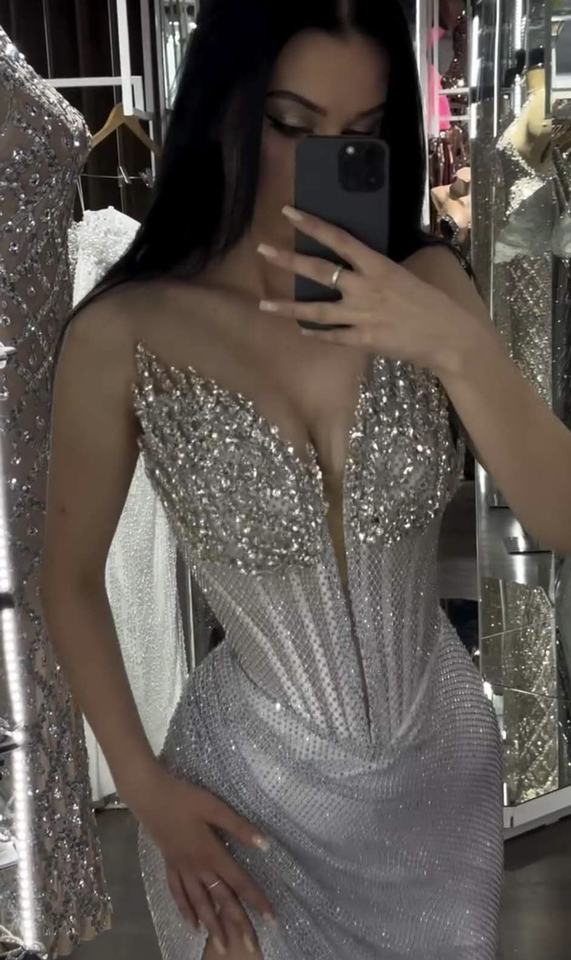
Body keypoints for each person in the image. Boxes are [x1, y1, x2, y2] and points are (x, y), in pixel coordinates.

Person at [40, 1, 571, 958]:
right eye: (290, 124)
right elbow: (68, 578)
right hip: (244, 804)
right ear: (224, 112)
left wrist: (457, 347)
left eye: (360, 134)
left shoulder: (426, 288)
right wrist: (143, 786)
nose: (321, 162)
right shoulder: (126, 331)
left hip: (439, 783)